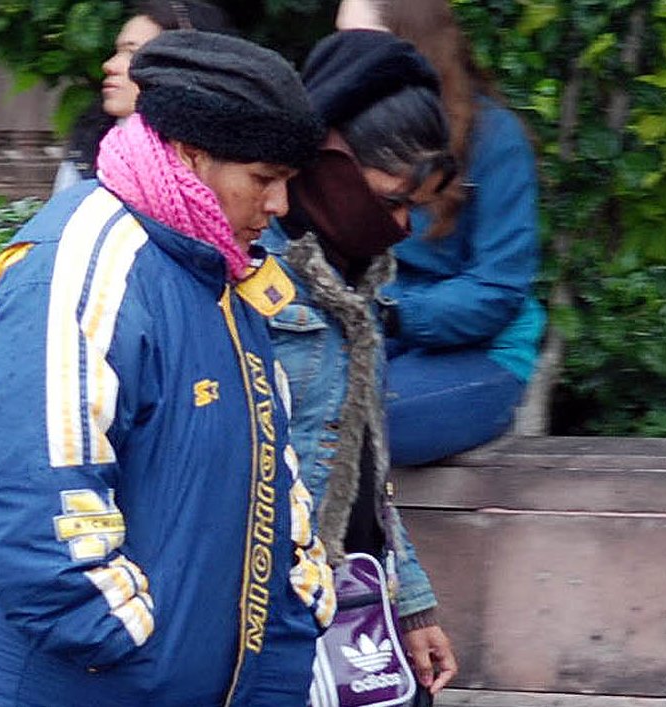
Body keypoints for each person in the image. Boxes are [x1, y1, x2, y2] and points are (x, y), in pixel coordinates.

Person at [0, 30, 335, 707]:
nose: (279, 207)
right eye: (264, 179)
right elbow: (29, 501)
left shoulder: (217, 266)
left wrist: (296, 613)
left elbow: (272, 469)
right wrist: (128, 643)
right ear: (190, 154)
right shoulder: (76, 269)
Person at [260, 30, 459, 701]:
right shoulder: (248, 270)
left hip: (357, 608)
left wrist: (413, 606)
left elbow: (365, 468)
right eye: (390, 199)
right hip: (273, 618)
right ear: (330, 160)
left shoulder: (357, 278)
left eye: (413, 207)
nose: (401, 226)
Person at [337, 0, 547, 465]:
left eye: (359, 42)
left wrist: (390, 311)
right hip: (374, 339)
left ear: (411, 46)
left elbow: (497, 289)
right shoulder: (339, 133)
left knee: (346, 422)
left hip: (481, 351)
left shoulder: (495, 138)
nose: (342, 58)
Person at [52, 0, 233, 193]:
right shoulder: (88, 149)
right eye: (118, 52)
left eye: (133, 53)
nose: (109, 65)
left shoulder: (231, 160)